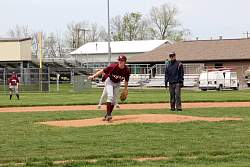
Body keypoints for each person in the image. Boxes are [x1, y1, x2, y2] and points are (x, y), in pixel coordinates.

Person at [88, 55, 130, 121]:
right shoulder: (113, 66)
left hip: (117, 83)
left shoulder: (127, 70)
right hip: (109, 81)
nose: (120, 62)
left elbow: (126, 80)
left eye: (122, 60)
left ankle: (108, 114)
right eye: (119, 60)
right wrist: (93, 76)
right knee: (110, 96)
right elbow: (102, 71)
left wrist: (125, 89)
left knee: (114, 99)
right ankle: (109, 115)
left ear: (125, 62)